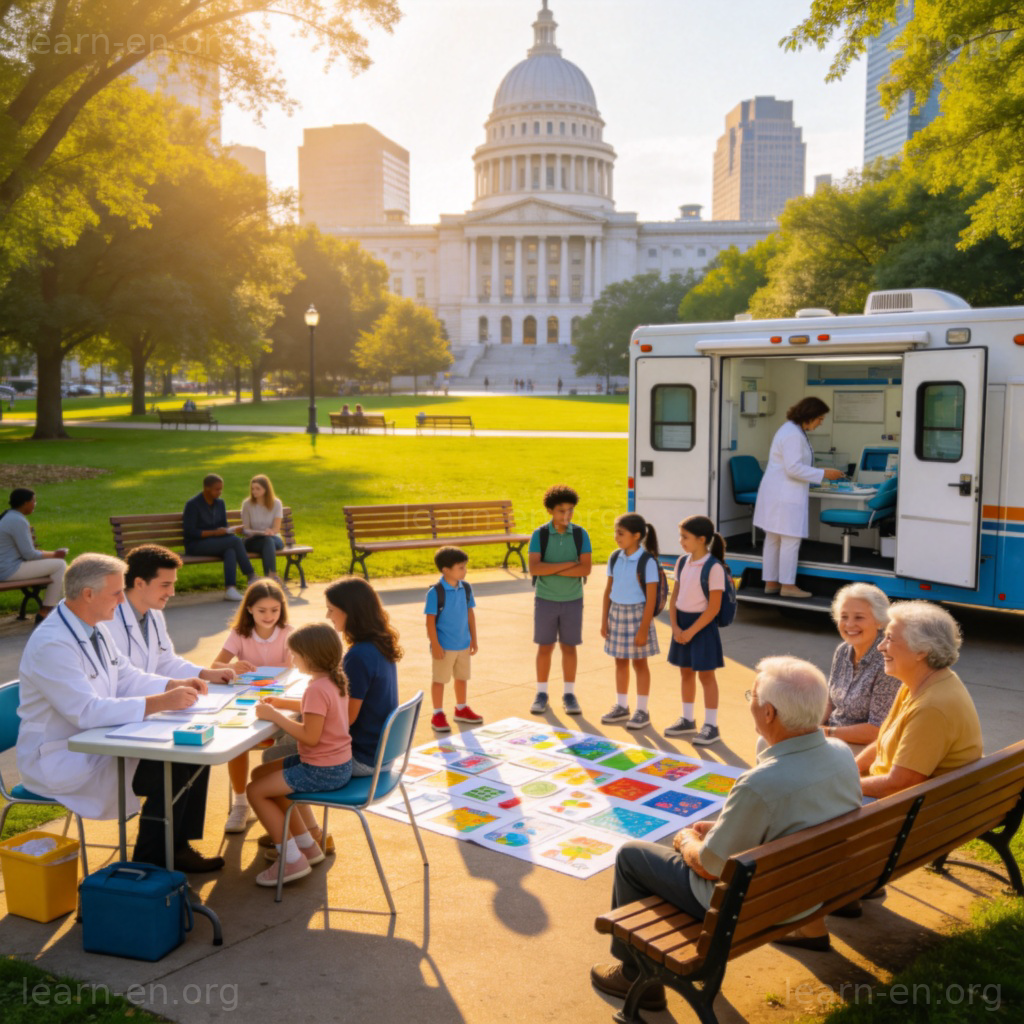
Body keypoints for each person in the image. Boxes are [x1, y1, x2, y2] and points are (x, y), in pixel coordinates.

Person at [590, 656, 862, 1011]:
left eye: (752, 695)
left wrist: (687, 841)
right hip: (810, 891)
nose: (749, 701)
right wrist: (722, 829)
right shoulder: (841, 753)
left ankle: (633, 975)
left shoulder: (760, 784)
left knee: (631, 856)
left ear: (769, 714)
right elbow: (792, 817)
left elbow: (708, 866)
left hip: (750, 907)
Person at [16, 553, 224, 872]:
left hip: (98, 739)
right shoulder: (52, 644)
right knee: (168, 772)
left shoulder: (93, 628)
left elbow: (126, 676)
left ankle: (175, 848)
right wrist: (162, 702)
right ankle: (150, 867)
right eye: (116, 593)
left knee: (190, 753)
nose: (121, 599)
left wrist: (174, 683)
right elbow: (85, 712)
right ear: (88, 594)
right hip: (62, 756)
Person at [247, 623, 353, 887]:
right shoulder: (333, 679)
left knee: (255, 791)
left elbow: (309, 736)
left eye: (295, 655)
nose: (292, 659)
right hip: (335, 764)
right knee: (261, 773)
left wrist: (275, 717)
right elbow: (318, 710)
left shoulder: (316, 688)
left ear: (310, 657)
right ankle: (308, 846)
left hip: (321, 770)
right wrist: (282, 704)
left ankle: (291, 860)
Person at [858, 601, 982, 799]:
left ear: (921, 651)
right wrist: (851, 770)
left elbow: (898, 785)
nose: (880, 647)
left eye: (889, 639)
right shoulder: (919, 683)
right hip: (913, 807)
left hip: (906, 814)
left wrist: (840, 786)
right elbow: (884, 742)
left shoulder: (931, 708)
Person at [212, 579, 293, 833]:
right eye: (262, 610)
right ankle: (240, 803)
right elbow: (215, 665)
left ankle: (283, 801)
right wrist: (231, 667)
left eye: (274, 610)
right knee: (235, 740)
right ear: (249, 609)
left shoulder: (289, 632)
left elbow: (296, 669)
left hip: (279, 702)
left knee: (288, 743)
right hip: (246, 701)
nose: (269, 616)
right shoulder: (239, 634)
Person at [752, 397, 844, 598]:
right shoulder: (793, 434)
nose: (821, 423)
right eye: (820, 418)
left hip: (778, 493)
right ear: (809, 416)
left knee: (773, 539)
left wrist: (818, 473)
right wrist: (823, 474)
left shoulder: (790, 430)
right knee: (790, 539)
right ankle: (788, 586)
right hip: (784, 495)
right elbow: (793, 468)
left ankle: (771, 582)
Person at [108, 544, 236, 686]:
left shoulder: (154, 613)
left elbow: (166, 662)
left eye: (173, 584)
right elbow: (123, 680)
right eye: (165, 585)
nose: (172, 592)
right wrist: (169, 689)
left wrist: (205, 674)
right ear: (139, 583)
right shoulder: (109, 622)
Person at [528, 485, 593, 716]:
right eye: (560, 511)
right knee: (545, 647)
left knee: (569, 647)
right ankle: (541, 693)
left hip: (573, 600)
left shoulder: (580, 534)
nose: (566, 516)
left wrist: (551, 569)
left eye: (570, 511)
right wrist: (569, 564)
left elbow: (585, 569)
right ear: (549, 511)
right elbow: (535, 567)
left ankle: (569, 693)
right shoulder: (540, 535)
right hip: (545, 600)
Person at [665, 515, 727, 745]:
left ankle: (711, 726)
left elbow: (713, 608)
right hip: (681, 625)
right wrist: (675, 627)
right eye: (681, 536)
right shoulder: (682, 562)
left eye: (685, 537)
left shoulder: (714, 568)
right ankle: (687, 720)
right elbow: (675, 598)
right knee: (685, 672)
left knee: (706, 676)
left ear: (702, 539)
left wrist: (690, 632)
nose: (681, 541)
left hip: (702, 627)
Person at [600, 513, 661, 731]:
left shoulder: (647, 561)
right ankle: (622, 706)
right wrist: (604, 619)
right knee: (620, 661)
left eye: (621, 533)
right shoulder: (615, 557)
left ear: (636, 536)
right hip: (616, 613)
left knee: (640, 663)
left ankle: (642, 711)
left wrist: (644, 628)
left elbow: (651, 598)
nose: (616, 537)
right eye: (616, 532)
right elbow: (609, 589)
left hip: (638, 615)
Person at [822, 583, 901, 748]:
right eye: (844, 617)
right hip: (832, 736)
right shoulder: (843, 650)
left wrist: (825, 732)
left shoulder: (888, 660)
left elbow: (877, 730)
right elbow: (830, 702)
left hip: (864, 746)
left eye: (859, 617)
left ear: (879, 621)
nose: (849, 625)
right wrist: (809, 728)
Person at [424, 546, 481, 732]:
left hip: (463, 644)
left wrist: (474, 639)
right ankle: (437, 713)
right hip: (445, 647)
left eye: (465, 567)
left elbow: (470, 614)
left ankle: (461, 708)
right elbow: (430, 623)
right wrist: (436, 645)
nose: (465, 571)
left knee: (462, 677)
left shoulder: (466, 588)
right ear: (446, 570)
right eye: (461, 568)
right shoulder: (435, 593)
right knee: (440, 680)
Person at [182, 473, 256, 601]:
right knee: (234, 541)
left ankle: (230, 589)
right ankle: (251, 576)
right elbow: (190, 532)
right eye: (217, 489)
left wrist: (230, 530)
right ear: (206, 489)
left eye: (221, 489)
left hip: (216, 542)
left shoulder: (220, 503)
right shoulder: (193, 505)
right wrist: (215, 533)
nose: (220, 492)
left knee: (230, 550)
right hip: (195, 545)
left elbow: (223, 527)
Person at [0, 487, 68, 623]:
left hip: (7, 566)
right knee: (60, 565)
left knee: (56, 565)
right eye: (34, 501)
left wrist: (54, 554)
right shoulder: (17, 521)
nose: (35, 504)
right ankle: (46, 611)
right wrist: (56, 554)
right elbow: (29, 555)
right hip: (7, 570)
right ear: (25, 503)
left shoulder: (9, 516)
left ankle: (51, 609)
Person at [241, 474, 285, 582]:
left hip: (274, 538)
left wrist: (271, 531)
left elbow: (276, 528)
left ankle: (269, 578)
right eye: (252, 488)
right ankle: (271, 577)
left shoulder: (276, 503)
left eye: (257, 489)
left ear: (266, 489)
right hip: (253, 540)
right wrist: (260, 532)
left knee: (268, 540)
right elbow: (246, 529)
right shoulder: (247, 504)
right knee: (267, 541)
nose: (254, 491)